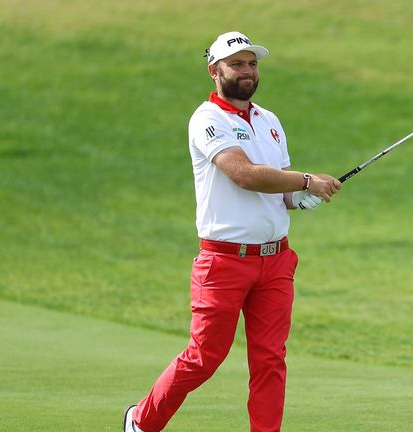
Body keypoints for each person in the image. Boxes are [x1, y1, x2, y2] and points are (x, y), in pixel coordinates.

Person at [123, 31, 341, 432]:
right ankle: (141, 421)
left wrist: (302, 196)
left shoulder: (270, 121)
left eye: (252, 63)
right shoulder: (207, 119)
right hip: (223, 261)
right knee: (204, 357)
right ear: (214, 71)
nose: (247, 71)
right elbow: (242, 174)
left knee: (270, 360)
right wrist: (307, 180)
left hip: (275, 261)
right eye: (236, 64)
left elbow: (280, 192)